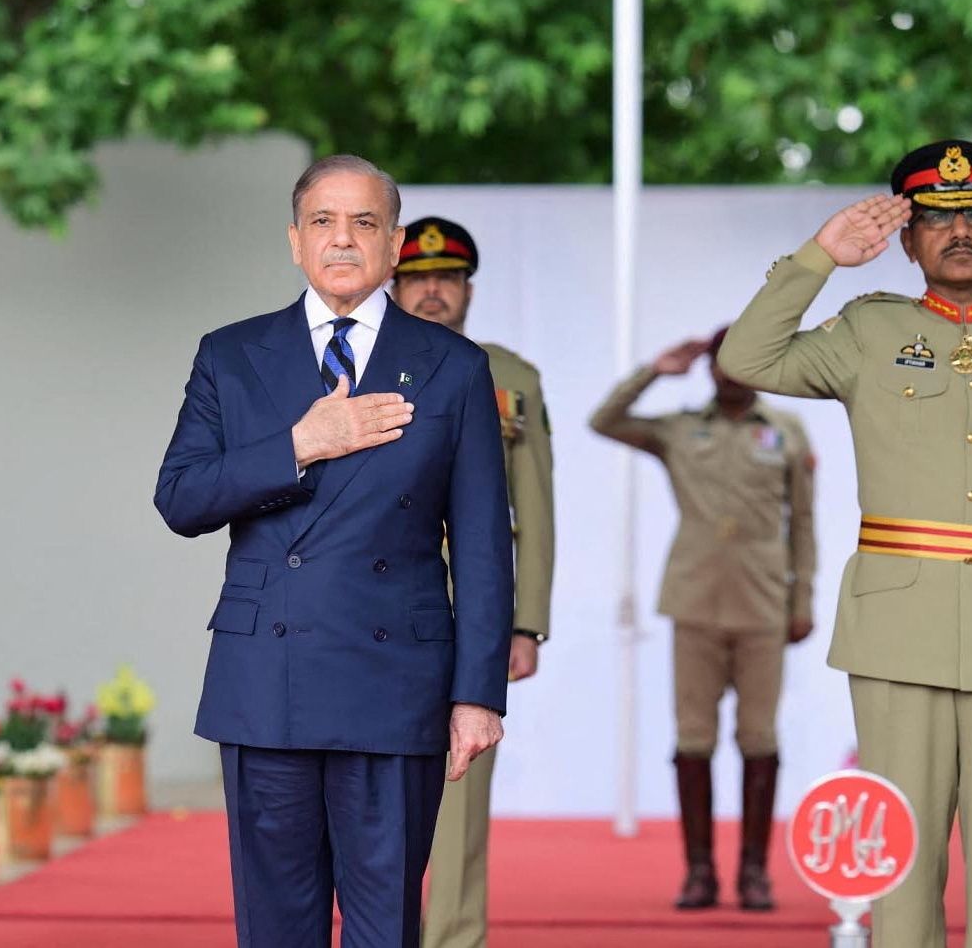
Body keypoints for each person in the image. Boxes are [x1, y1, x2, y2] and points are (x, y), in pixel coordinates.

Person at [716, 139, 972, 947]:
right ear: (907, 241)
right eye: (936, 220)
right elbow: (745, 356)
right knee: (900, 862)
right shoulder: (868, 330)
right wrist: (820, 257)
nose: (959, 233)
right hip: (899, 632)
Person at [154, 155, 514, 948]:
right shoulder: (231, 354)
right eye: (323, 221)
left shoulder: (455, 368)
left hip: (395, 686)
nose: (342, 240)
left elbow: (485, 544)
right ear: (294, 241)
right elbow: (180, 499)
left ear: (392, 246)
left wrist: (478, 693)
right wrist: (299, 445)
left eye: (364, 223)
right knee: (276, 925)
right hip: (264, 679)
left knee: (385, 925)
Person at [590, 327, 815, 911]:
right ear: (710, 367)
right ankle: (698, 872)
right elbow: (604, 421)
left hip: (764, 603)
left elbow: (805, 525)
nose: (731, 370)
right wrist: (654, 371)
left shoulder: (786, 432)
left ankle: (754, 873)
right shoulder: (680, 428)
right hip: (694, 602)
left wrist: (803, 601)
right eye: (721, 360)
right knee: (694, 738)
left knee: (759, 737)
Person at [390, 215, 554, 948]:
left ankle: (453, 939)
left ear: (468, 290)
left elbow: (536, 505)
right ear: (394, 286)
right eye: (419, 279)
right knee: (368, 794)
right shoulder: (358, 368)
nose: (433, 293)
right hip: (377, 604)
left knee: (458, 790)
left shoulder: (509, 379)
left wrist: (526, 622)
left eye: (447, 279)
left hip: (471, 614)